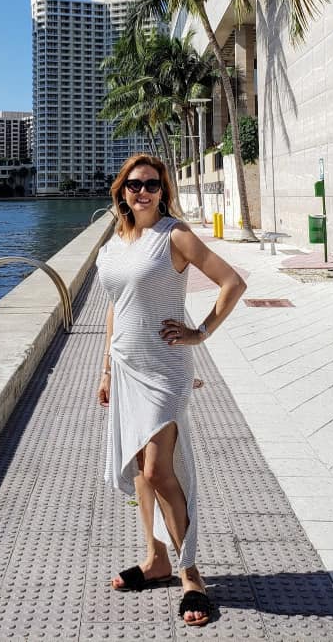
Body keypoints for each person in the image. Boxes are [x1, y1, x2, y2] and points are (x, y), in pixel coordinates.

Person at [96, 153, 246, 628]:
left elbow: (232, 282)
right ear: (122, 190)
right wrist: (105, 370)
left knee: (161, 470)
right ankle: (155, 558)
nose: (144, 192)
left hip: (164, 370)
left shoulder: (174, 235)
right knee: (141, 469)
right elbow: (115, 308)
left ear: (163, 191)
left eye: (153, 185)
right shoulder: (115, 242)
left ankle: (191, 574)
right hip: (125, 368)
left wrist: (201, 332)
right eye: (136, 184)